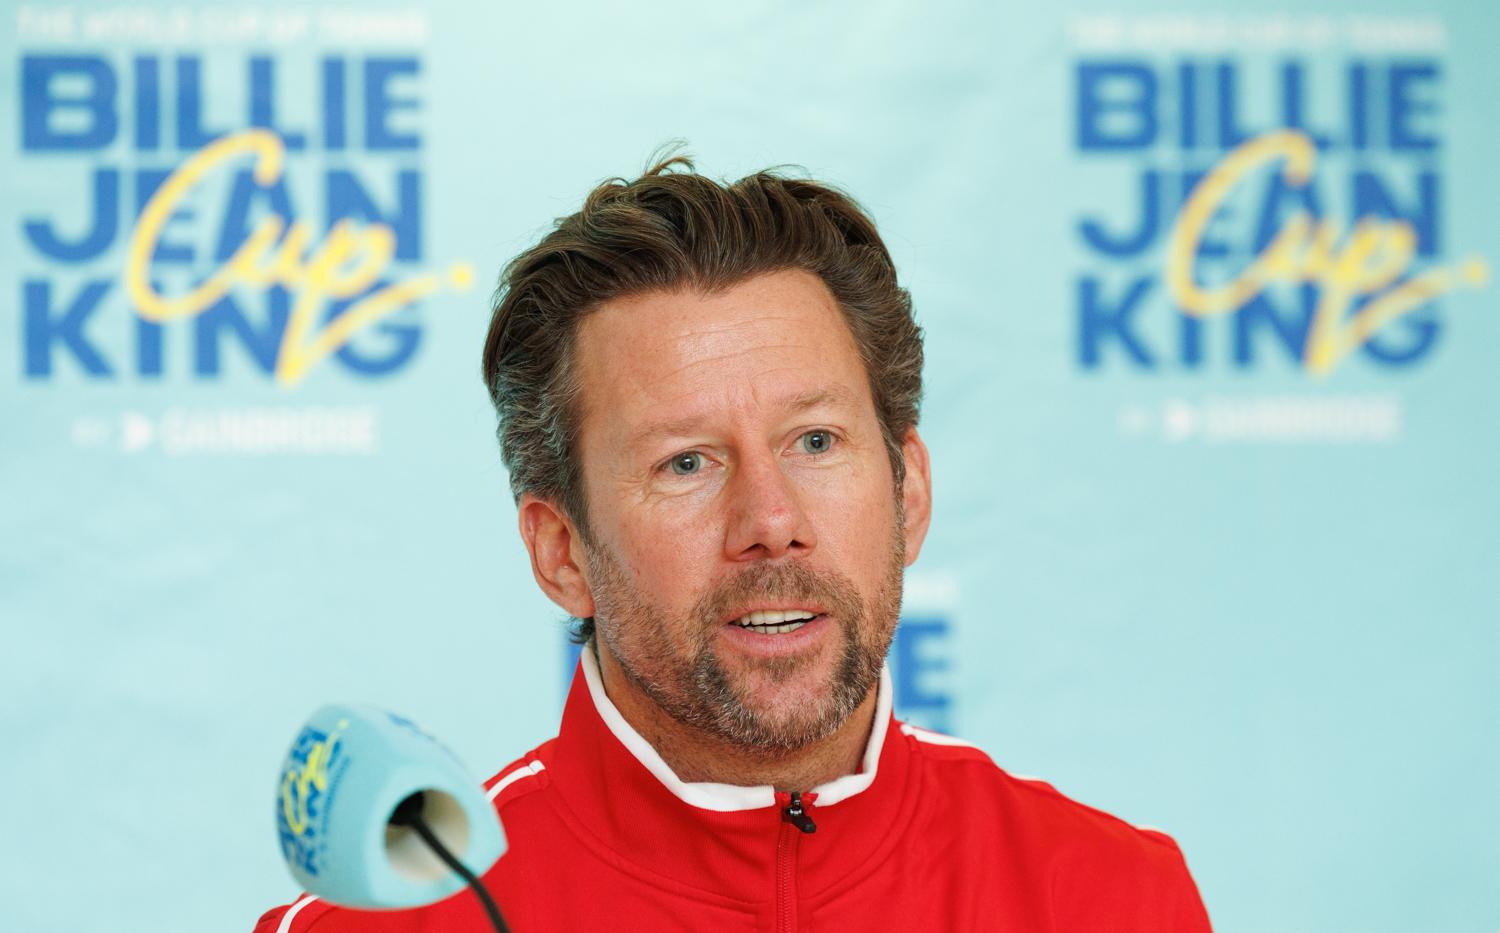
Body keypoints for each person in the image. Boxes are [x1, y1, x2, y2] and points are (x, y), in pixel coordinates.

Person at [254, 155, 1212, 932]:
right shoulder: (388, 925)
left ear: (909, 490)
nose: (770, 521)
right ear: (561, 553)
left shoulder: (1109, 898)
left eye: (816, 442)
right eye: (686, 463)